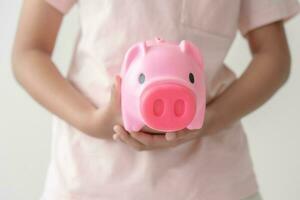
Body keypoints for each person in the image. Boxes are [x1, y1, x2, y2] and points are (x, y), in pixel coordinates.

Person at [12, 0, 299, 199]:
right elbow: (29, 52)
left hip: (212, 180)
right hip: (90, 177)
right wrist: (92, 122)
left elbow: (274, 57)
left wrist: (209, 119)